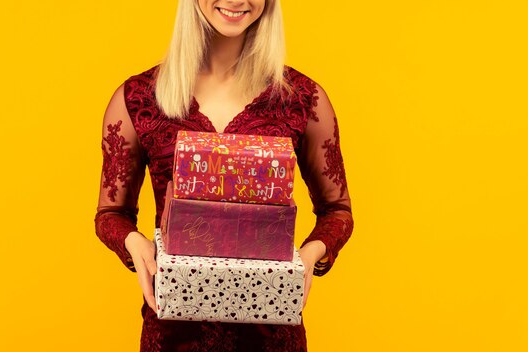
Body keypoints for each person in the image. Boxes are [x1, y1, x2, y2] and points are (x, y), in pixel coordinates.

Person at [94, 1, 354, 351]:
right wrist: (134, 243)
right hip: (173, 331)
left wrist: (308, 257)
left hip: (271, 333)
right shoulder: (139, 97)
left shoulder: (302, 99)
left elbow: (337, 210)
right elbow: (111, 214)